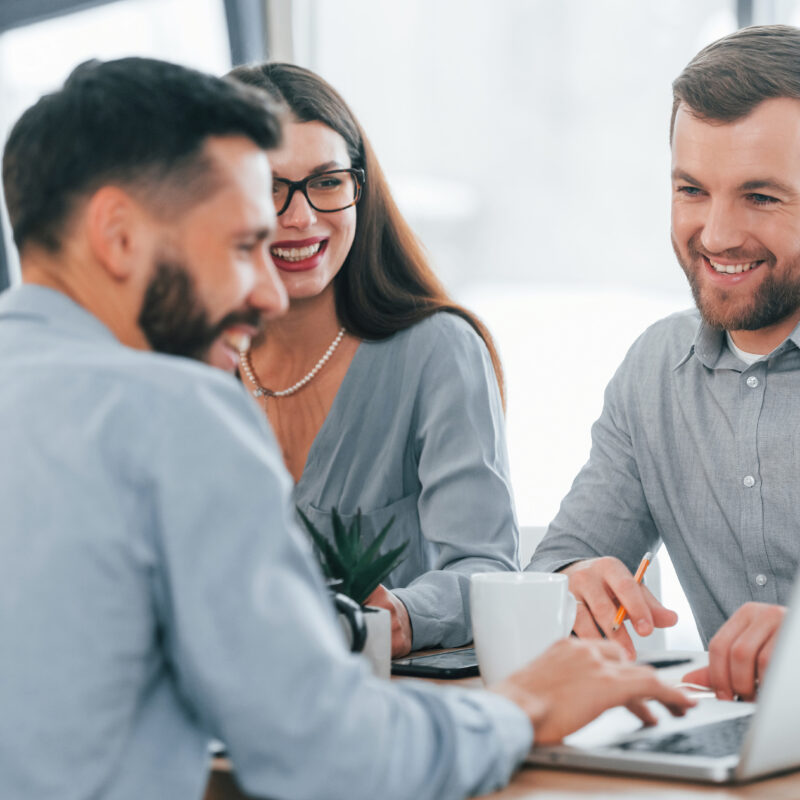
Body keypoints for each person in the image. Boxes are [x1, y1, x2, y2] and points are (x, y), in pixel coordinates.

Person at [0, 57, 692, 800]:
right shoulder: (178, 415)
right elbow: (332, 756)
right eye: (241, 245)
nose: (268, 290)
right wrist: (524, 705)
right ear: (119, 235)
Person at [528, 24, 800, 704]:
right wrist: (573, 586)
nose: (716, 235)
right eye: (691, 190)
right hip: (742, 758)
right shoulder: (655, 372)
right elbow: (556, 566)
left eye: (760, 197)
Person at [227, 62, 518, 657]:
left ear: (361, 188)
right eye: (268, 187)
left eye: (327, 181)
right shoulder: (188, 364)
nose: (301, 217)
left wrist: (405, 614)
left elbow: (485, 568)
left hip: (389, 706)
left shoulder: (436, 350)